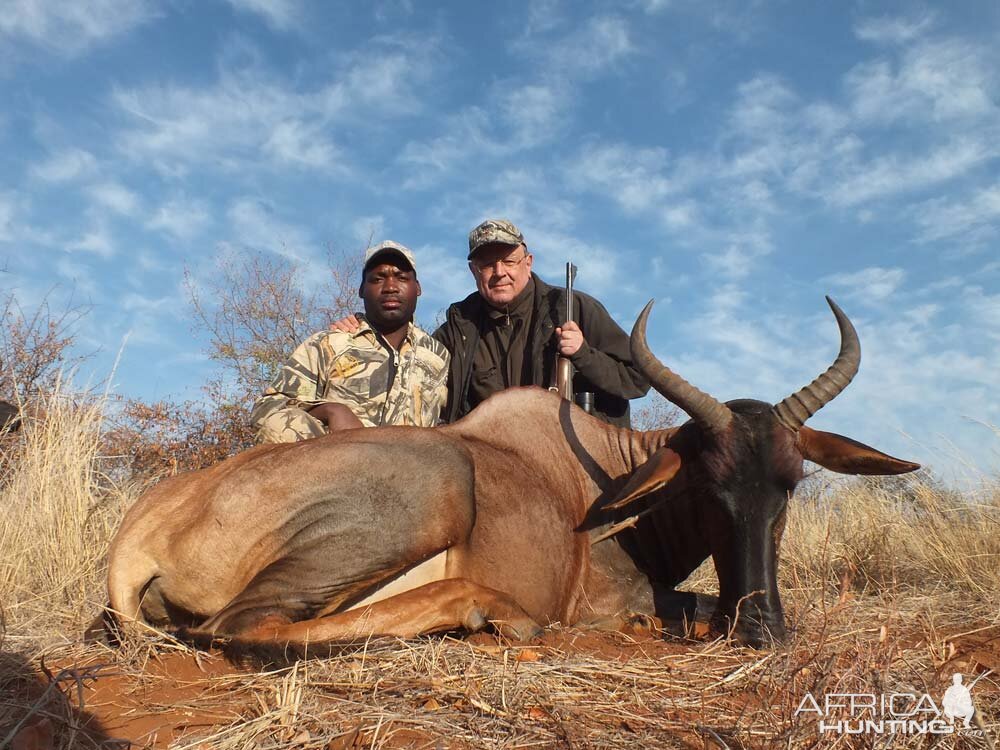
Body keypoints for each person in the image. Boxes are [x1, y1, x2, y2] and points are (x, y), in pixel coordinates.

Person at [331, 219, 648, 426]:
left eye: (509, 261)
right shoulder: (458, 325)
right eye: (487, 264)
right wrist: (363, 331)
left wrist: (582, 354)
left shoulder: (574, 307)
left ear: (528, 262)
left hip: (575, 461)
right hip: (493, 466)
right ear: (473, 270)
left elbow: (637, 380)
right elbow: (411, 354)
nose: (500, 272)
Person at [251, 241, 449, 443]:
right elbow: (266, 409)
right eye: (378, 279)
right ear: (362, 289)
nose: (390, 287)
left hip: (413, 470)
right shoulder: (327, 343)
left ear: (417, 288)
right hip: (335, 467)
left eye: (401, 277)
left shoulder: (439, 355)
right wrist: (330, 411)